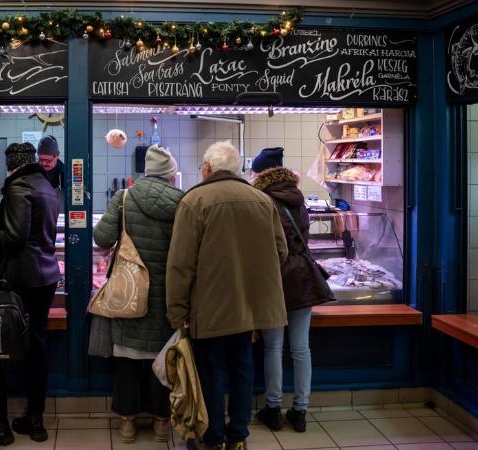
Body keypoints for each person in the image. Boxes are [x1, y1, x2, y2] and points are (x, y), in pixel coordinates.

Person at [166, 140, 288, 450]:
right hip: (249, 308)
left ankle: (215, 437)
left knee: (211, 371)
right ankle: (239, 437)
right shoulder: (262, 201)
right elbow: (281, 252)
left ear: (207, 169)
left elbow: (181, 264)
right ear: (236, 169)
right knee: (242, 369)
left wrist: (177, 311)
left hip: (209, 309)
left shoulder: (195, 201)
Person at [0, 142, 61, 450]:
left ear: (12, 164)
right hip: (44, 278)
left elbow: (15, 237)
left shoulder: (19, 188)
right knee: (35, 347)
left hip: (19, 281)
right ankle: (34, 420)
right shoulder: (45, 186)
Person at [93, 145, 184, 444]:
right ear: (171, 175)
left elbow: (102, 238)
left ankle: (128, 425)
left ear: (145, 171)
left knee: (128, 363)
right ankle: (161, 424)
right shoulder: (182, 202)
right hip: (166, 296)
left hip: (129, 292)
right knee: (162, 362)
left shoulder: (124, 197)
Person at [250, 148, 332, 433]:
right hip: (302, 278)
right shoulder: (297, 198)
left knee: (273, 346)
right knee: (300, 348)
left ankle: (273, 408)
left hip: (275, 277)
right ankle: (300, 410)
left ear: (261, 173)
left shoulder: (262, 200)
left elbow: (262, 245)